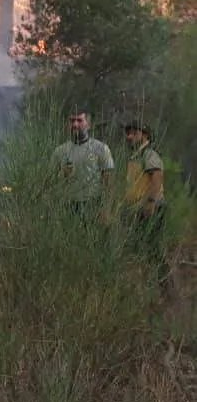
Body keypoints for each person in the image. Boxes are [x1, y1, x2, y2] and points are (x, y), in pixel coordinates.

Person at [124, 120, 167, 283]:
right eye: (128, 133)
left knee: (153, 249)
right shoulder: (136, 155)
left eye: (134, 133)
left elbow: (156, 177)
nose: (129, 137)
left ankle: (165, 287)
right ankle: (150, 285)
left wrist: (150, 203)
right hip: (138, 209)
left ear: (145, 135)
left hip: (151, 208)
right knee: (141, 248)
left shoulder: (149, 154)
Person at [52, 108, 115, 217]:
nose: (75, 124)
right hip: (67, 206)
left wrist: (107, 209)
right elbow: (50, 181)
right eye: (72, 121)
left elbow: (109, 183)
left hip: (93, 205)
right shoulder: (60, 151)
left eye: (79, 120)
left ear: (88, 125)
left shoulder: (101, 149)